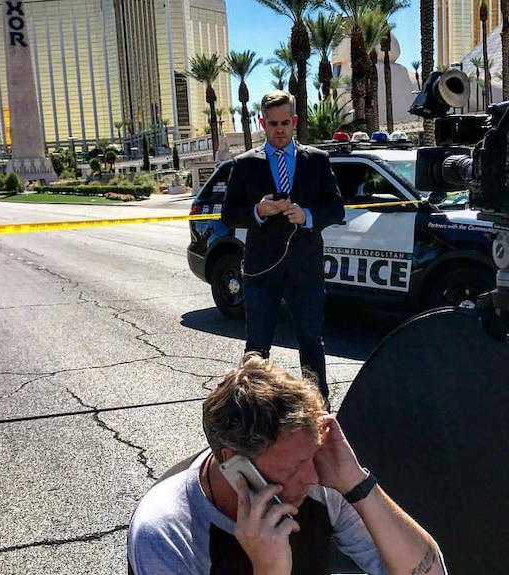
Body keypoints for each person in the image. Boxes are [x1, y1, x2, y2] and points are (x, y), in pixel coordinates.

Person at [127, 353, 447, 575]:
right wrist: (268, 570)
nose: (311, 476)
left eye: (312, 456)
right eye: (291, 468)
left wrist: (357, 483)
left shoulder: (320, 480)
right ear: (234, 463)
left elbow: (430, 571)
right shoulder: (165, 531)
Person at [221, 90, 344, 402]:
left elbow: (337, 208)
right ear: (262, 123)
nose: (279, 129)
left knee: (311, 346)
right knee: (257, 350)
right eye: (272, 123)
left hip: (305, 270)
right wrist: (258, 212)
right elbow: (228, 214)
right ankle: (251, 413)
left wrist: (308, 216)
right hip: (261, 270)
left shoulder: (316, 160)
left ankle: (320, 413)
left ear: (295, 122)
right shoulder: (245, 164)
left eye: (285, 122)